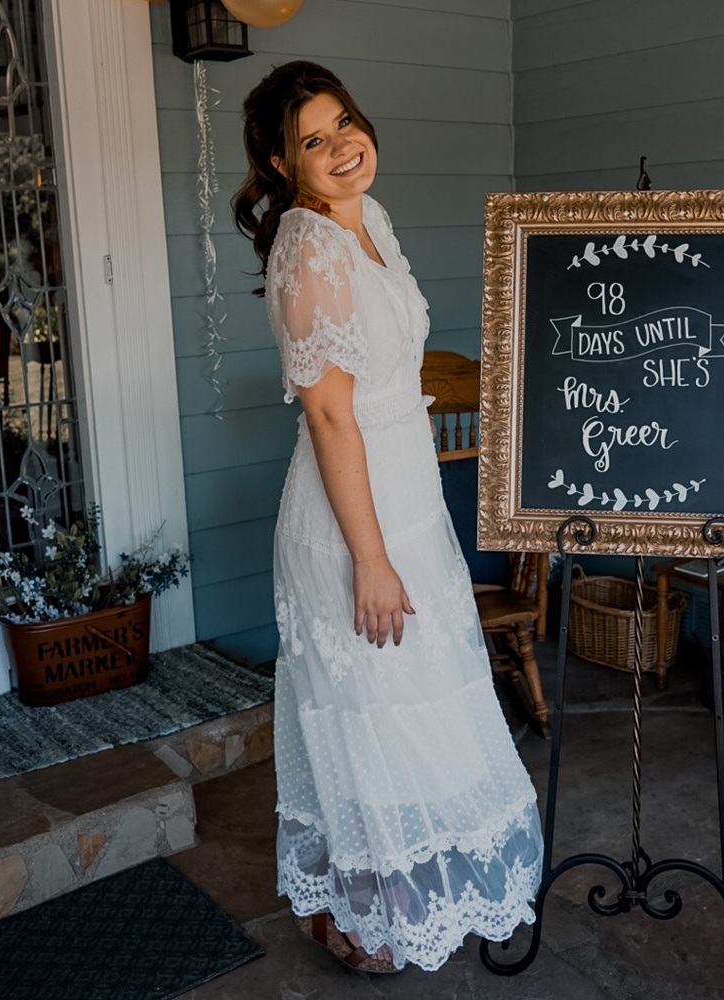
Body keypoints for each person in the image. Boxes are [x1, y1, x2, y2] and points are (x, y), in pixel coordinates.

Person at [233, 61, 543, 974]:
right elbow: (330, 413)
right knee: (370, 707)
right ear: (285, 165)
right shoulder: (306, 245)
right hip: (350, 517)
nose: (341, 147)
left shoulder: (368, 219)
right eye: (314, 140)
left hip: (407, 492)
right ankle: (364, 916)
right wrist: (370, 559)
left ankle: (390, 899)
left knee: (420, 694)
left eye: (345, 123)